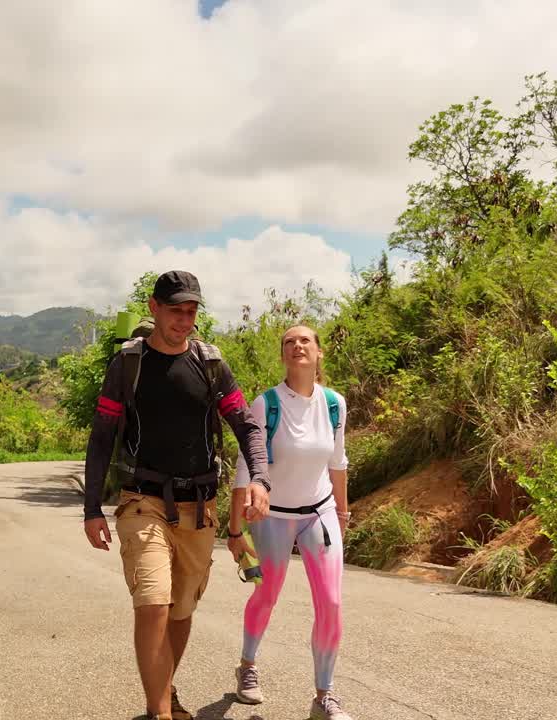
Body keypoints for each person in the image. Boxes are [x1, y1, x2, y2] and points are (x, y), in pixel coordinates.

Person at [82, 270, 271, 720]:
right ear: (153, 308)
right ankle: (159, 712)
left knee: (181, 611)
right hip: (142, 501)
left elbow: (244, 423)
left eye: (191, 312)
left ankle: (164, 690)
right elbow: (102, 436)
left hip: (199, 508)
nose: (184, 320)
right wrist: (92, 508)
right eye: (175, 311)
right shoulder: (128, 365)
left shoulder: (210, 364)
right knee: (153, 603)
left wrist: (260, 478)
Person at [227, 325, 354, 720]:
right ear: (282, 355)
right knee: (267, 593)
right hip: (272, 515)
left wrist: (344, 512)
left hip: (321, 511)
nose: (297, 346)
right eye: (288, 342)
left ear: (319, 353)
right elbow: (244, 469)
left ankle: (324, 695)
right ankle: (247, 667)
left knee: (331, 603)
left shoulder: (335, 403)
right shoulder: (266, 404)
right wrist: (235, 531)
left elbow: (338, 463)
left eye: (305, 341)